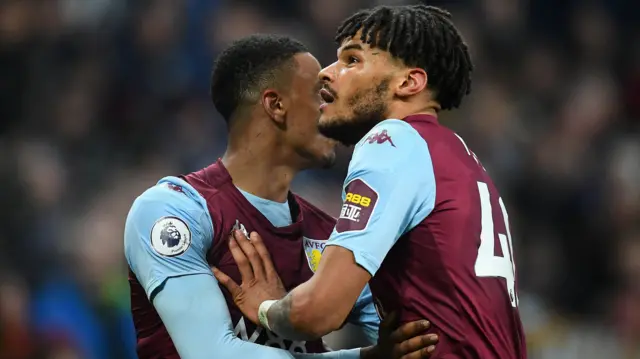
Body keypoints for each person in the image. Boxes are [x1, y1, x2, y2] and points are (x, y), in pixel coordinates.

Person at [213, 5, 527, 359]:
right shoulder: (460, 159)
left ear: (409, 83)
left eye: (351, 60)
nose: (326, 75)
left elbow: (318, 311)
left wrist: (267, 308)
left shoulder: (392, 142)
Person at [124, 34, 438, 359]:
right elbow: (211, 353)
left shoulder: (331, 237)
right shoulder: (173, 211)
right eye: (322, 96)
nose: (336, 112)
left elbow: (415, 337)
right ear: (276, 105)